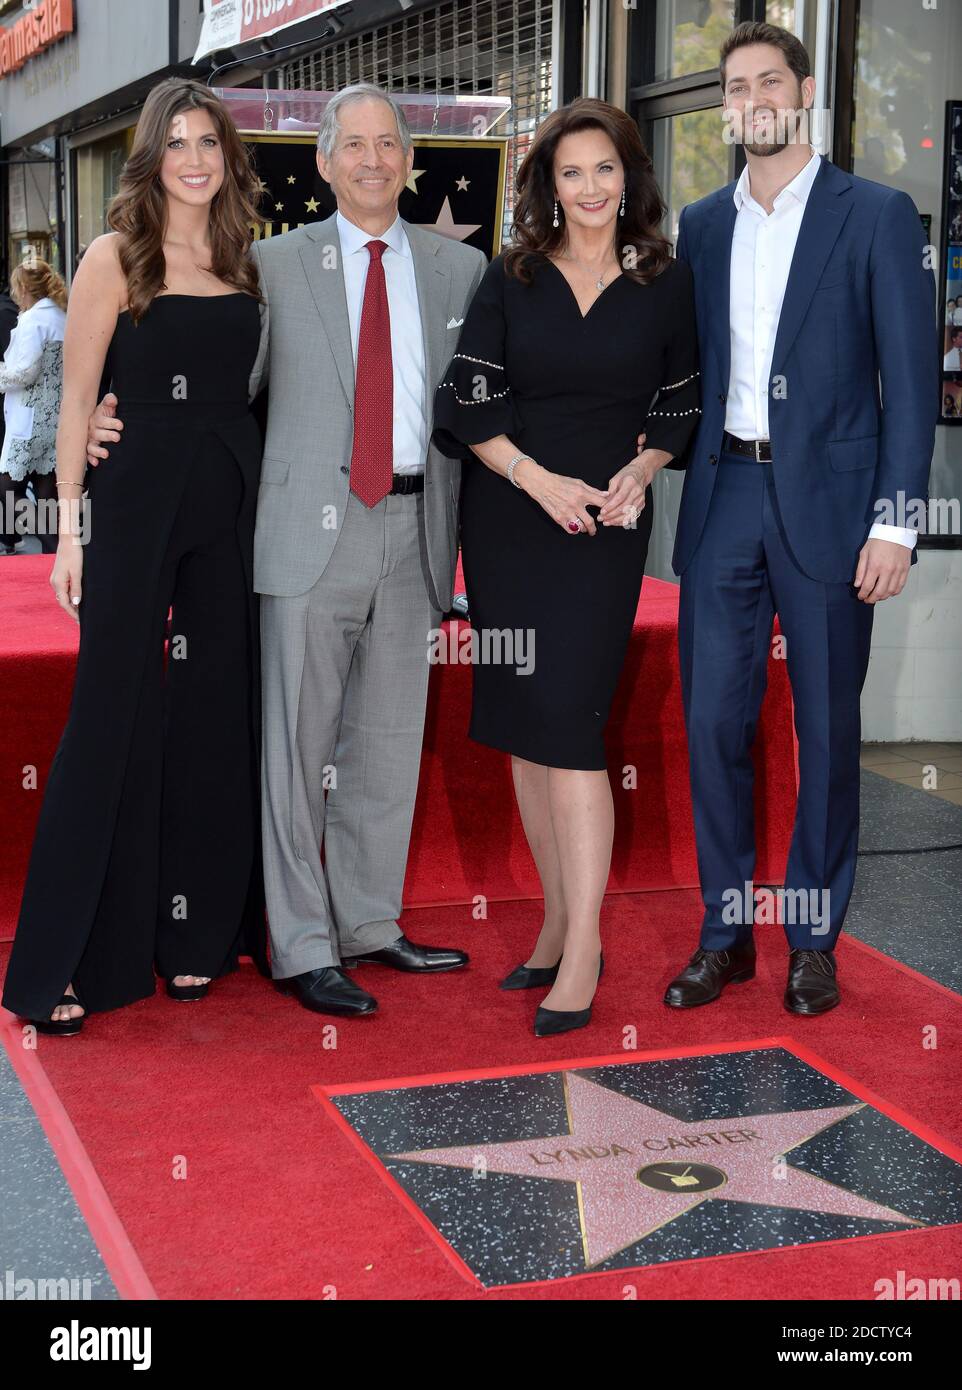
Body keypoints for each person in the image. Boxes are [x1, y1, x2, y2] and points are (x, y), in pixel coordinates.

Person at [89, 84, 480, 1020]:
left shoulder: (457, 271)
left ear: (410, 159)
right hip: (310, 532)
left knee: (386, 747)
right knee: (296, 750)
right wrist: (114, 413)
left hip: (418, 530)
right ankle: (301, 946)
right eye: (355, 145)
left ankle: (369, 925)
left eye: (390, 144)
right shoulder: (265, 264)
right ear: (325, 161)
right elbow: (210, 380)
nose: (374, 160)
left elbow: (481, 400)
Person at [663, 21, 937, 1016]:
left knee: (824, 732)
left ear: (804, 89)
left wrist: (895, 523)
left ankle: (812, 939)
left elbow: (908, 389)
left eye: (765, 81)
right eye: (733, 88)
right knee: (711, 724)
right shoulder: (699, 225)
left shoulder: (872, 214)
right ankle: (724, 933)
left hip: (832, 507)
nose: (749, 101)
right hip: (723, 495)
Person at [1, 78, 268, 1035]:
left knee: (211, 712)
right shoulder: (116, 254)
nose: (195, 160)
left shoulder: (246, 257)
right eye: (178, 144)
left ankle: (194, 939)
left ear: (227, 157)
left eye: (209, 143)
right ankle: (71, 956)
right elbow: (76, 405)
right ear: (150, 158)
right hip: (136, 498)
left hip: (230, 500)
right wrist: (67, 535)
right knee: (112, 711)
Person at [433, 98, 699, 1037]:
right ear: (548, 184)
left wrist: (642, 468)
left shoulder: (664, 278)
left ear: (632, 178)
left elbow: (681, 401)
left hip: (606, 529)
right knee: (525, 727)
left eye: (606, 170)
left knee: (574, 727)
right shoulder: (512, 277)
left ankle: (584, 944)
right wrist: (537, 479)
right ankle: (553, 920)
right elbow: (465, 398)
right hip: (512, 515)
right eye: (571, 173)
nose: (590, 189)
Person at [0, 261, 67, 555]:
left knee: (7, 489)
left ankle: (47, 541)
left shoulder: (32, 321)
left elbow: (23, 373)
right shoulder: (62, 315)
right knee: (47, 490)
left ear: (24, 288)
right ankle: (59, 552)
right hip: (55, 417)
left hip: (27, 419)